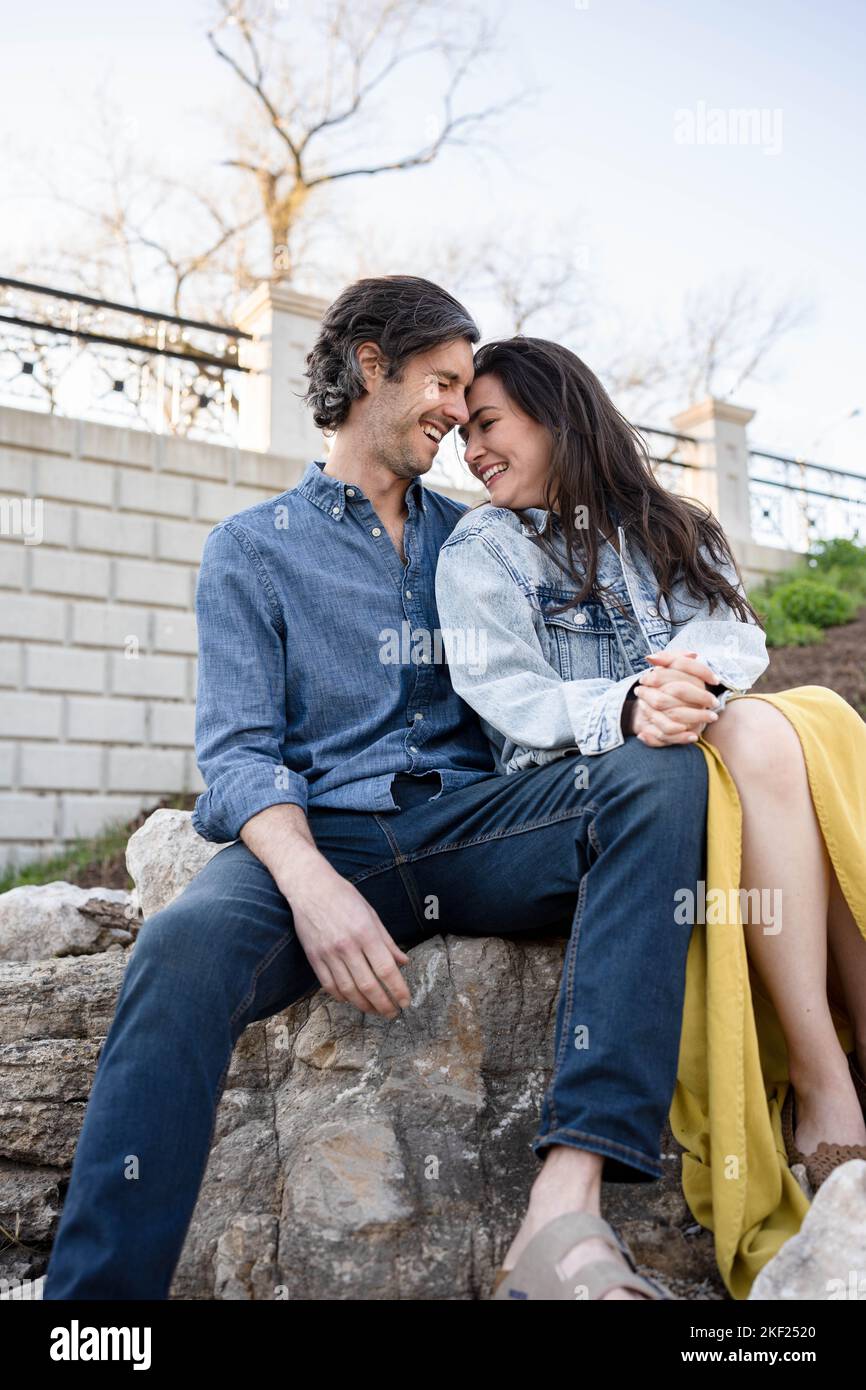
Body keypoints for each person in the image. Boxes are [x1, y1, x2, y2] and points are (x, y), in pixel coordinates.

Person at [43, 276, 708, 1303]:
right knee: (180, 945)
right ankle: (93, 1312)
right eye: (441, 381)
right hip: (319, 837)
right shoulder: (251, 550)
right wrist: (309, 886)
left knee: (653, 783)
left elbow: (583, 656)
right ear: (368, 365)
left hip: (468, 826)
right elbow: (236, 754)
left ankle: (564, 1205)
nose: (456, 409)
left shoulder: (483, 535)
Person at [433, 334, 866, 1296]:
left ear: (558, 412)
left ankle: (836, 1066)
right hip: (591, 791)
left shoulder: (670, 523)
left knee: (793, 721)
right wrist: (628, 705)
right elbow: (511, 696)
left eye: (489, 424)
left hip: (716, 756)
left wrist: (680, 679)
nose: (473, 450)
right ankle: (825, 1070)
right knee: (760, 735)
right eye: (462, 434)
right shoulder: (483, 549)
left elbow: (731, 635)